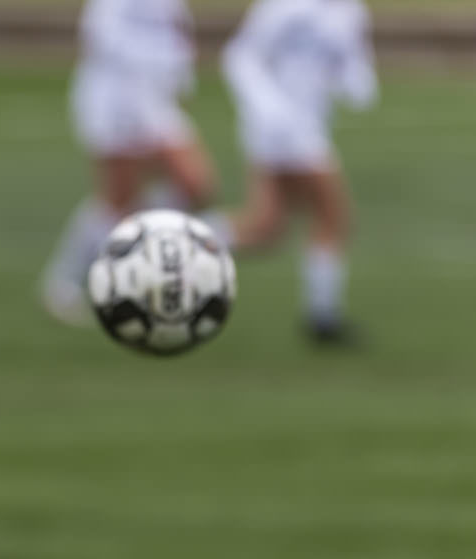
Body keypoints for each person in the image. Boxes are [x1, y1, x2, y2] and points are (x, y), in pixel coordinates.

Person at [40, 0, 219, 324]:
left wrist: (179, 77)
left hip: (155, 101)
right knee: (119, 199)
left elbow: (178, 35)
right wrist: (159, 60)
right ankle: (64, 282)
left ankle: (155, 257)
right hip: (115, 100)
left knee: (196, 185)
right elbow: (101, 36)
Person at [219, 0, 378, 345]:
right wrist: (267, 107)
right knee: (333, 213)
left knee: (266, 229)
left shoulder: (349, 12)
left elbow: (346, 65)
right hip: (280, 129)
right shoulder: (285, 7)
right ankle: (323, 318)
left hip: (309, 126)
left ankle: (182, 239)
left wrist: (357, 82)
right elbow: (240, 58)